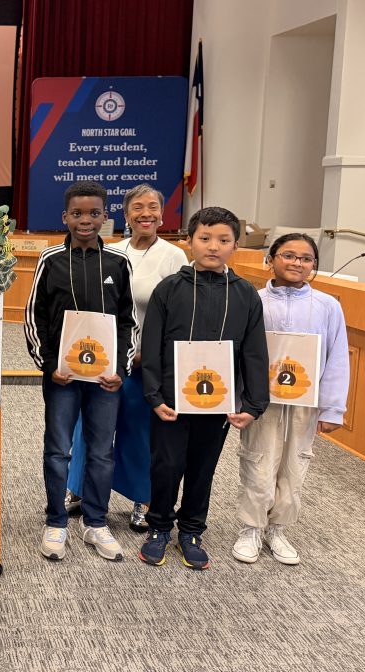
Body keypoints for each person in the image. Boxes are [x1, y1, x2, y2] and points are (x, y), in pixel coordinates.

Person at [140, 206, 269, 570]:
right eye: (205, 238)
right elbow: (152, 346)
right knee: (166, 464)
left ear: (236, 245)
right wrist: (154, 395)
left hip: (218, 403)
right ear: (189, 241)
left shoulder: (245, 294)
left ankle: (192, 529)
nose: (213, 246)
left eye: (224, 240)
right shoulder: (169, 289)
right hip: (171, 399)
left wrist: (254, 402)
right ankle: (159, 526)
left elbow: (255, 352)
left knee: (202, 466)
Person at [24, 180, 137, 563]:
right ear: (65, 217)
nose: (85, 220)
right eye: (77, 214)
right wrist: (47, 364)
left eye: (93, 213)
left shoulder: (119, 263)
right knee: (58, 449)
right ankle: (56, 520)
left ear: (106, 216)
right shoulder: (50, 260)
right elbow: (33, 315)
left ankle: (96, 521)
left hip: (106, 380)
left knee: (102, 451)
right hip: (62, 378)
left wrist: (119, 368)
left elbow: (127, 321)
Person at [65, 185, 187, 531]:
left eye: (152, 207)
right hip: (103, 357)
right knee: (87, 426)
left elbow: (176, 314)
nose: (145, 213)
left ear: (162, 215)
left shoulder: (174, 256)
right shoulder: (109, 251)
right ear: (126, 215)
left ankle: (142, 499)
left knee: (137, 428)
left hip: (144, 362)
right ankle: (76, 489)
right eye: (137, 207)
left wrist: (146, 355)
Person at [232, 233, 349, 566]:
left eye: (306, 258)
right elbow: (239, 352)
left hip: (305, 401)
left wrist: (333, 408)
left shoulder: (328, 306)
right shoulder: (254, 300)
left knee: (295, 463)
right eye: (288, 255)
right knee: (257, 460)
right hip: (260, 401)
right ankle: (251, 528)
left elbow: (337, 357)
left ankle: (278, 528)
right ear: (270, 259)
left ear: (314, 265)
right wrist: (237, 399)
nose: (297, 263)